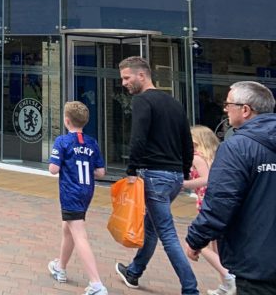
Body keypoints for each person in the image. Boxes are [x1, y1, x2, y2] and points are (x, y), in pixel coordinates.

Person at [114, 56, 198, 294]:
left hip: (154, 175)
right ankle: (133, 272)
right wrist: (182, 172)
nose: (124, 83)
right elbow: (187, 143)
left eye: (127, 77)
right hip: (172, 176)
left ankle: (190, 288)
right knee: (151, 227)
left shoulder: (142, 101)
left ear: (142, 75)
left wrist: (131, 170)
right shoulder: (174, 103)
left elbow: (138, 138)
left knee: (167, 233)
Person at [185, 81, 276, 295]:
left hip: (256, 261)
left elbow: (221, 200)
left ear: (245, 110)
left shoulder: (237, 148)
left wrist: (197, 238)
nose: (225, 109)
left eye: (228, 104)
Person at [47, 101, 108, 295]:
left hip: (70, 192)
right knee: (68, 229)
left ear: (66, 120)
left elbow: (53, 169)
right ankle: (60, 267)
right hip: (86, 192)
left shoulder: (62, 142)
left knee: (79, 234)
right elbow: (101, 172)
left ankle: (96, 283)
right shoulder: (92, 142)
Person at [183, 126, 236, 295]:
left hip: (207, 202)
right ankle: (226, 284)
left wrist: (183, 184)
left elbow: (206, 179)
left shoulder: (196, 158)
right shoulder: (215, 156)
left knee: (202, 243)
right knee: (215, 246)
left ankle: (229, 276)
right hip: (212, 201)